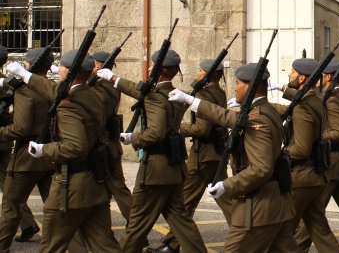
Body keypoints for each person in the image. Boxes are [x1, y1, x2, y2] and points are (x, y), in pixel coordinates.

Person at [167, 63, 298, 252]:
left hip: (257, 208)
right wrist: (191, 101)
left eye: (238, 83)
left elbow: (261, 169)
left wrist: (226, 186)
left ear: (249, 86)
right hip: (276, 206)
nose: (235, 88)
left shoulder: (257, 119)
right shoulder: (265, 111)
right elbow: (228, 117)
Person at [10, 50, 121, 253]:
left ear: (69, 73)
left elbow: (74, 146)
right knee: (105, 246)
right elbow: (57, 91)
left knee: (51, 246)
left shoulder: (69, 106)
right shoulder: (93, 95)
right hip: (95, 184)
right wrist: (27, 76)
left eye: (62, 67)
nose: (58, 69)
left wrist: (45, 150)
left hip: (71, 188)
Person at [97, 50, 207, 253]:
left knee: (136, 224)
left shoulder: (155, 97)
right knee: (181, 220)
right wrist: (114, 78)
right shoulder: (172, 94)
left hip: (155, 170)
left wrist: (134, 138)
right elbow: (137, 90)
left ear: (159, 70)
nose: (148, 68)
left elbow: (155, 133)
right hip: (173, 168)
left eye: (152, 65)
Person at [272, 59, 339, 253]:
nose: (317, 78)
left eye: (320, 75)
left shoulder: (332, 101)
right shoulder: (330, 96)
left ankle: (297, 247)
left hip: (332, 163)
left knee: (311, 215)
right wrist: (281, 88)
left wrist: (315, 136)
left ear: (328, 77)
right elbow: (305, 101)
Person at [147, 59, 233, 253]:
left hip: (202, 156)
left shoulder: (204, 94)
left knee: (184, 202)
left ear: (208, 75)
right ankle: (245, 230)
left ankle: (171, 245)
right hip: (215, 154)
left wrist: (178, 128)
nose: (197, 73)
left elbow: (202, 129)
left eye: (200, 71)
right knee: (225, 200)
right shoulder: (218, 92)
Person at [269, 58, 339, 252]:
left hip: (302, 179)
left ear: (302, 78)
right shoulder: (313, 101)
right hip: (315, 177)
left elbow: (301, 150)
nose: (288, 75)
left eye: (292, 72)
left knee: (281, 233)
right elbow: (291, 106)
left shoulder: (303, 108)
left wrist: (275, 154)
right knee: (320, 232)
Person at [0, 49, 56, 252]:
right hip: (48, 154)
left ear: (29, 66)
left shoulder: (26, 92)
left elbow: (20, 128)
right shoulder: (52, 88)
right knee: (55, 208)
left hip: (26, 158)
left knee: (11, 206)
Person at [91, 51, 133, 225]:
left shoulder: (103, 89)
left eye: (92, 64)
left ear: (98, 66)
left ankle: (137, 227)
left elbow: (96, 115)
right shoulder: (104, 86)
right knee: (104, 191)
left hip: (106, 148)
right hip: (107, 146)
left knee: (118, 188)